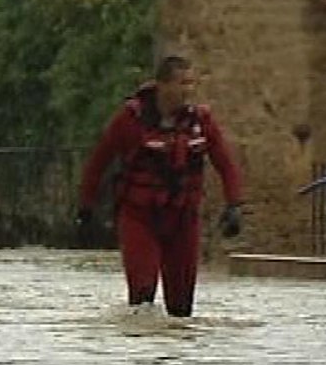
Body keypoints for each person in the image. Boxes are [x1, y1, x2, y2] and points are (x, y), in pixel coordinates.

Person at [76, 55, 244, 317]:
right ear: (163, 85)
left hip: (183, 217)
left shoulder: (201, 121)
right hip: (139, 216)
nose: (189, 90)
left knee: (181, 305)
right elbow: (99, 162)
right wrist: (86, 208)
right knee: (143, 297)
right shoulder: (130, 121)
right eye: (182, 83)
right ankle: (143, 350)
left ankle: (177, 354)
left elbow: (226, 164)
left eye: (192, 83)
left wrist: (234, 204)